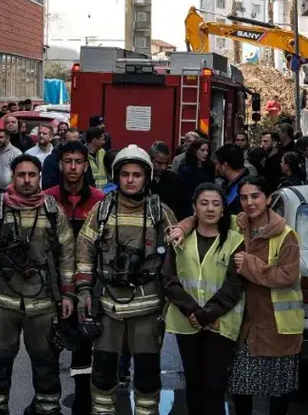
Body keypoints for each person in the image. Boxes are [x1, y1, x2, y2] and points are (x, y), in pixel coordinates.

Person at [0, 154, 75, 415]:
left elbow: (67, 255)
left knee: (45, 360)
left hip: (43, 303)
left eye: (32, 175)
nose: (27, 180)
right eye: (21, 175)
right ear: (13, 177)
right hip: (1, 303)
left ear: (40, 177)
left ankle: (46, 408)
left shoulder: (53, 211)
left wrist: (68, 294)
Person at [75, 145, 178, 415]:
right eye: (125, 174)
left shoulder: (160, 213)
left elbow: (176, 259)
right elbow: (84, 250)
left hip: (148, 309)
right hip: (108, 306)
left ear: (147, 177)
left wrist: (171, 301)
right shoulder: (102, 211)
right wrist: (84, 291)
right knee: (103, 372)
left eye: (137, 175)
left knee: (147, 374)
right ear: (116, 176)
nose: (130, 180)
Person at [162, 183, 245, 415]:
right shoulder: (180, 238)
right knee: (194, 382)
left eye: (216, 204)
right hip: (186, 321)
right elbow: (168, 278)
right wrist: (193, 311)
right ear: (194, 208)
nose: (210, 208)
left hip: (220, 323)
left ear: (223, 209)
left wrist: (206, 314)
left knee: (214, 384)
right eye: (204, 203)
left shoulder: (235, 240)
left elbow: (235, 284)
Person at [227, 177, 304, 415]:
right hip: (244, 327)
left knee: (278, 397)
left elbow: (287, 275)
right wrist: (182, 227)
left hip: (278, 331)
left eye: (255, 196)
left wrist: (249, 265)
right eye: (244, 197)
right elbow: (203, 216)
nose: (249, 202)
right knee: (240, 392)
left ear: (268, 199)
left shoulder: (286, 236)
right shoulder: (236, 227)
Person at [42, 141, 105, 415]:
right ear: (60, 164)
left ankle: (82, 403)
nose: (73, 167)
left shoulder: (100, 201)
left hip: (87, 286)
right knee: (48, 349)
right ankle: (47, 404)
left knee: (83, 349)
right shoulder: (47, 199)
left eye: (78, 162)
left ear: (85, 166)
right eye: (68, 161)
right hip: (51, 285)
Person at [212, 143, 249, 215]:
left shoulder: (245, 190)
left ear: (225, 166)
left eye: (217, 164)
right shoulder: (226, 185)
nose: (216, 168)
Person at [0, 129, 22, 193]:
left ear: (8, 138)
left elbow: (20, 173)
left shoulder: (16, 153)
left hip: (12, 190)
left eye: (1, 137)